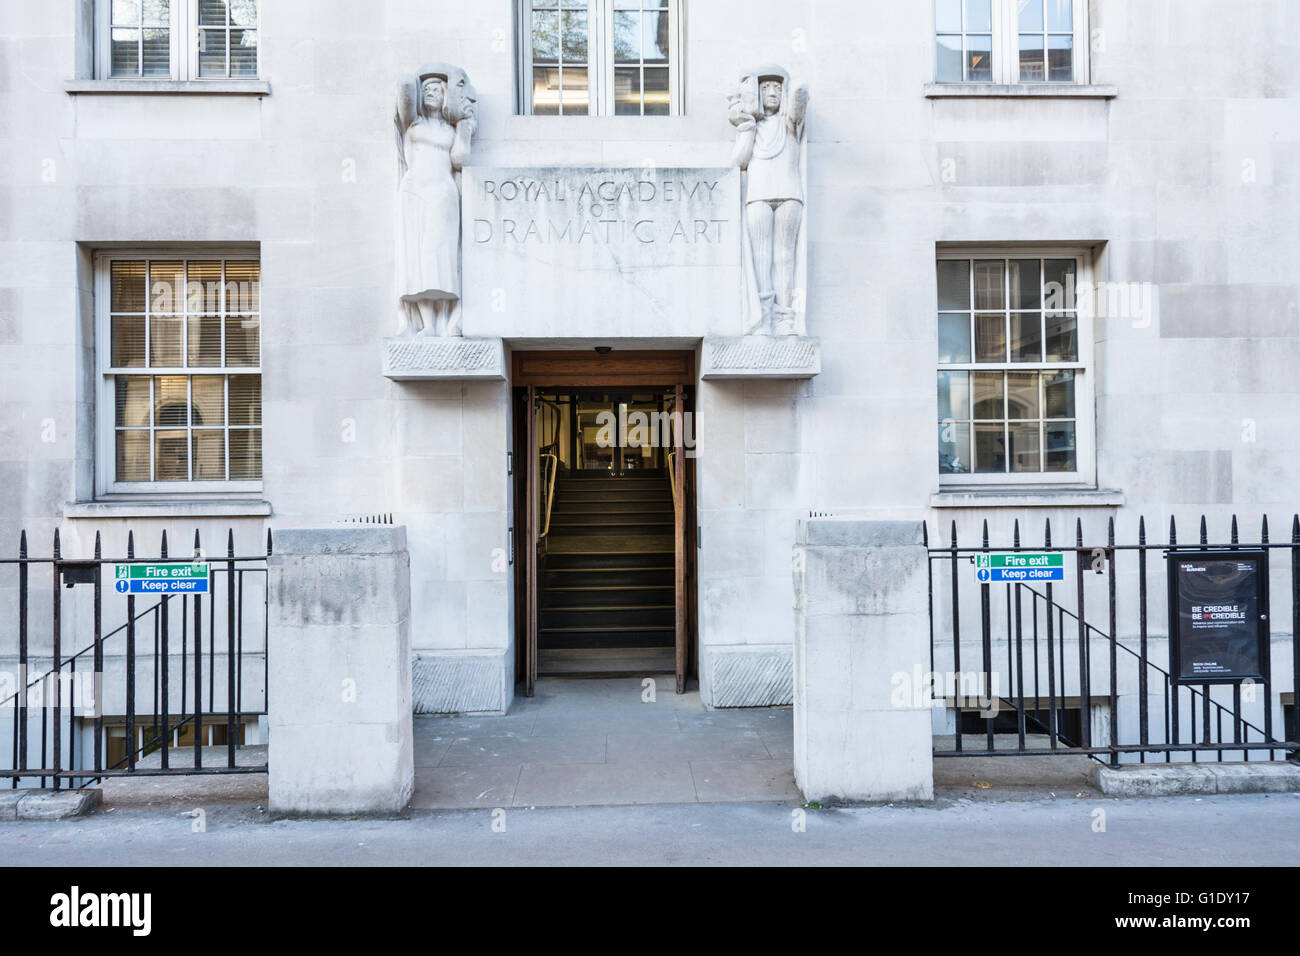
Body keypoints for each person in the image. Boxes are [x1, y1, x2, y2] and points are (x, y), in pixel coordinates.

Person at [394, 63, 476, 336]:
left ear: (446, 97)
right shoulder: (413, 123)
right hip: (415, 191)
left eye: (437, 90)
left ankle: (444, 319)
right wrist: (447, 74)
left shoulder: (451, 130)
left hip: (442, 192)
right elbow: (404, 87)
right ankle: (427, 325)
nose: (431, 93)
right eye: (426, 89)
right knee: (417, 260)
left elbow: (460, 159)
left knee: (437, 255)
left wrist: (465, 125)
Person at [729, 66, 809, 336]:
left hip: (789, 192)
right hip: (758, 193)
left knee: (785, 257)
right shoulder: (753, 126)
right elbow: (738, 162)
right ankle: (763, 317)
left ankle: (784, 318)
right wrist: (745, 123)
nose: (772, 92)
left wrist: (789, 84)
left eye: (777, 87)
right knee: (761, 257)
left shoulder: (790, 123)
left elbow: (799, 95)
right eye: (766, 88)